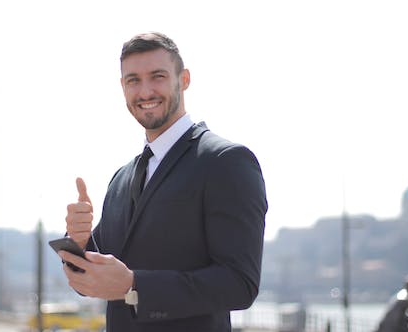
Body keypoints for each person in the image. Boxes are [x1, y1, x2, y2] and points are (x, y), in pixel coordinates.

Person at [58, 32, 268, 331]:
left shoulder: (226, 162)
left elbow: (239, 284)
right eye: (133, 80)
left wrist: (134, 286)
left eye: (157, 76)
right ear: (123, 87)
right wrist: (78, 243)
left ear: (183, 80)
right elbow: (96, 282)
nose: (145, 92)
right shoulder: (121, 178)